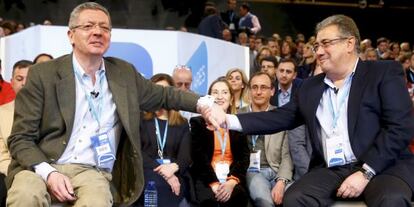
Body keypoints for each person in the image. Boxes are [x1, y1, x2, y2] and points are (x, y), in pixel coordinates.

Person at [6, 2, 218, 206]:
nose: (98, 32)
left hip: (90, 171)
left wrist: (205, 104)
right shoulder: (43, 74)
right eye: (88, 26)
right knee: (26, 194)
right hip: (41, 165)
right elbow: (20, 138)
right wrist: (49, 173)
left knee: (97, 200)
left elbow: (165, 95)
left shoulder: (123, 73)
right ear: (71, 35)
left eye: (104, 27)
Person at [207, 14, 414, 206]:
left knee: (392, 199)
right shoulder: (309, 87)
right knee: (294, 198)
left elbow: (400, 128)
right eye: (316, 45)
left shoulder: (383, 73)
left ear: (349, 43)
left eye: (326, 44)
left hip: (383, 166)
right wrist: (227, 119)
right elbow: (279, 117)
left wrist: (366, 172)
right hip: (334, 169)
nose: (319, 51)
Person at [134, 73, 193, 207]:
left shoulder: (182, 123)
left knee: (172, 189)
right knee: (155, 185)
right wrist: (165, 173)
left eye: (164, 91)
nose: (160, 96)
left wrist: (173, 168)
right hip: (149, 171)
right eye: (156, 90)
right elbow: (138, 152)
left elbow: (185, 156)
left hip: (175, 171)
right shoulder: (141, 121)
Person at [191, 78, 249, 207]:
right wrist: (214, 183)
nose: (219, 97)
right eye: (215, 92)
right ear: (209, 98)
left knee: (237, 199)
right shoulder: (198, 123)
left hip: (231, 178)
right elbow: (198, 157)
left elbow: (243, 157)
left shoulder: (237, 123)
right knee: (209, 202)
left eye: (224, 92)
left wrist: (231, 182)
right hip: (206, 177)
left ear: (231, 98)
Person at [238, 72, 293, 207]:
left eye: (263, 87)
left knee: (296, 198)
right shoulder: (239, 116)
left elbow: (287, 155)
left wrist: (281, 180)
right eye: (254, 87)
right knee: (265, 202)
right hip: (252, 171)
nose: (258, 92)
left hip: (277, 170)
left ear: (272, 91)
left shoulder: (281, 116)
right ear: (249, 91)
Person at [0, 60, 33, 207]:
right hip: (9, 172)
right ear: (11, 82)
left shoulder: (51, 112)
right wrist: (16, 173)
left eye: (29, 79)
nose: (24, 83)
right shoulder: (1, 113)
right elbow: (1, 155)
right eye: (19, 79)